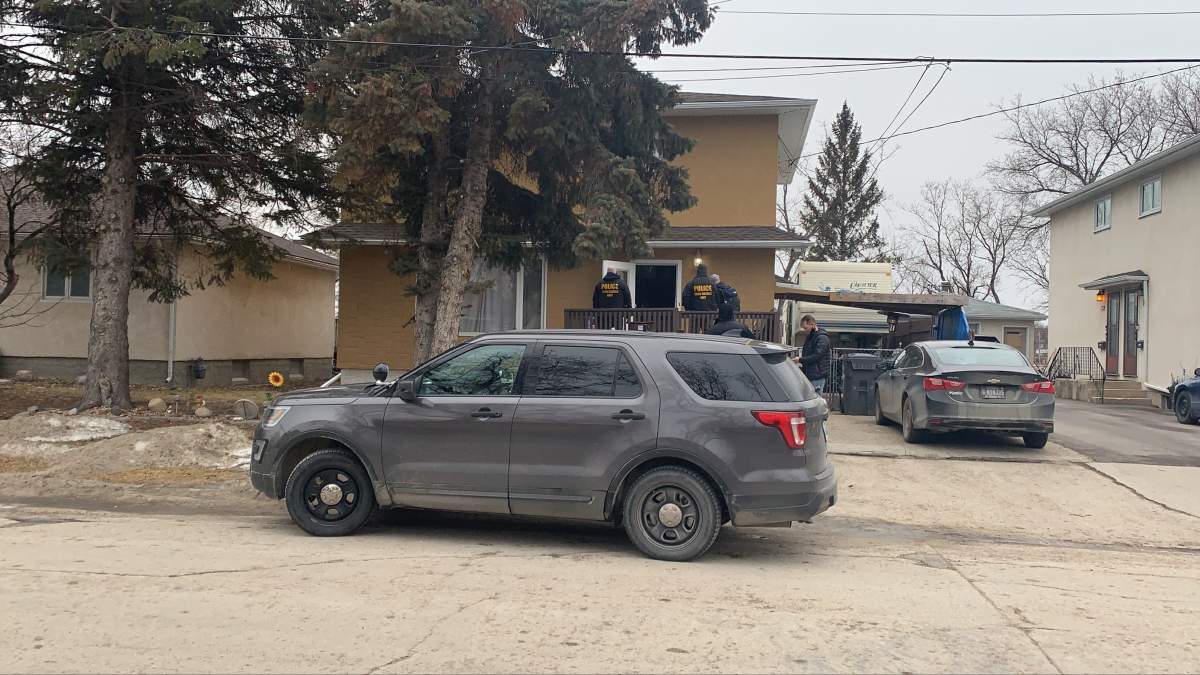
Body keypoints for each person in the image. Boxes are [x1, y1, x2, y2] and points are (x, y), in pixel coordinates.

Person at [795, 314, 832, 393]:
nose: (805, 330)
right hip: (812, 373)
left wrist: (800, 360)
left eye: (805, 328)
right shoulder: (812, 337)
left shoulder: (821, 338)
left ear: (812, 324)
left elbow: (817, 356)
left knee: (815, 396)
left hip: (817, 375)